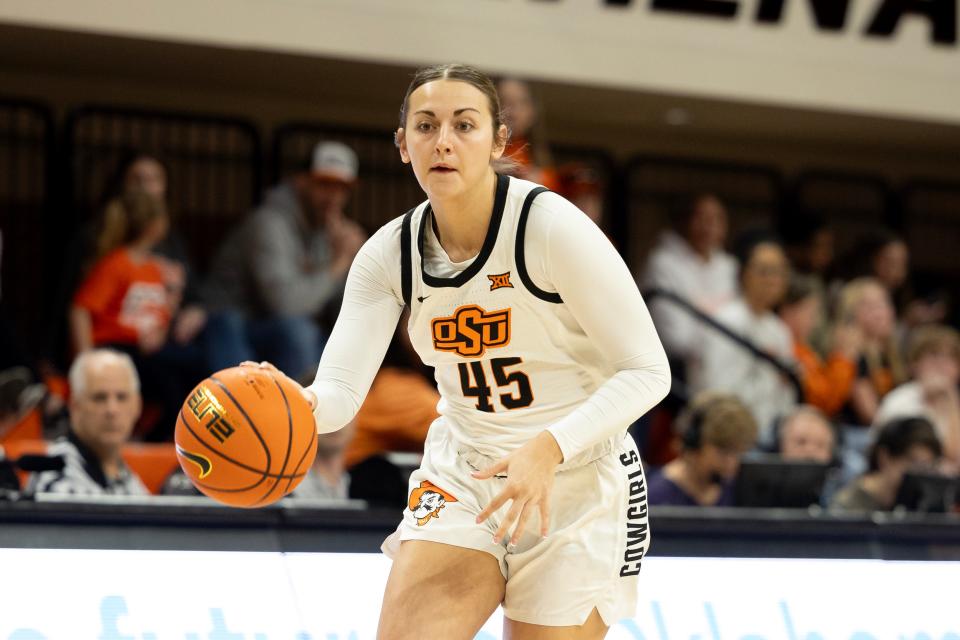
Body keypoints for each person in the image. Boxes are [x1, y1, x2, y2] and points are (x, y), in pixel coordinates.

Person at [249, 64, 670, 639]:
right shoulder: (387, 255)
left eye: (464, 125)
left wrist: (547, 450)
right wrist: (292, 403)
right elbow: (341, 396)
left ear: (499, 141)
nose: (443, 140)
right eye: (425, 126)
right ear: (403, 145)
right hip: (465, 472)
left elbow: (648, 371)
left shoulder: (549, 227)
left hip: (578, 479)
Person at [203, 141, 367, 380]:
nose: (333, 196)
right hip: (230, 324)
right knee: (298, 332)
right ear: (301, 181)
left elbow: (342, 310)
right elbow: (285, 306)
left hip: (274, 329)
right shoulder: (269, 222)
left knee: (344, 344)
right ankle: (304, 415)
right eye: (324, 184)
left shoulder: (328, 231)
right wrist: (338, 264)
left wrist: (358, 263)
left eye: (342, 188)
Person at [694, 231, 796, 444]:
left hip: (772, 432)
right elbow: (720, 391)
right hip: (727, 435)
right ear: (743, 273)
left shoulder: (779, 329)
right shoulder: (726, 320)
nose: (773, 280)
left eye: (780, 271)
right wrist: (772, 377)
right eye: (765, 271)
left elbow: (787, 392)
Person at [28, 349, 148, 496]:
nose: (112, 410)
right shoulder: (55, 473)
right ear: (75, 406)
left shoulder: (127, 478)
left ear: (138, 405)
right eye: (99, 398)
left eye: (122, 397)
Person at [641, 194, 738, 372]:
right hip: (674, 367)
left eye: (717, 219)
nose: (709, 226)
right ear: (684, 222)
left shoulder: (729, 267)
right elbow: (674, 338)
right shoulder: (663, 263)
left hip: (724, 363)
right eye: (702, 218)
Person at [647, 392, 757, 507]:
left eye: (737, 453)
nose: (732, 464)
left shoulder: (737, 490)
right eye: (723, 452)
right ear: (693, 443)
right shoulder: (657, 496)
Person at [873, 324, 960, 469]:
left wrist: (950, 401)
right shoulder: (900, 399)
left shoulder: (954, 402)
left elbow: (956, 455)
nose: (941, 364)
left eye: (950, 358)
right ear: (914, 364)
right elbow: (897, 454)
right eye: (933, 355)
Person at [779, 275, 861, 418]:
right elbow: (823, 403)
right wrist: (843, 357)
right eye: (810, 313)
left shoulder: (803, 348)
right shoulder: (787, 349)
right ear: (788, 310)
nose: (814, 322)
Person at [829, 416, 942, 512]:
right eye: (913, 463)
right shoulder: (846, 507)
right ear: (885, 458)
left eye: (927, 467)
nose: (920, 473)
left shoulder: (922, 503)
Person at [834, 277, 904, 427]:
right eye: (870, 306)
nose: (881, 312)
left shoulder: (891, 354)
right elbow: (870, 415)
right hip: (856, 434)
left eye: (884, 303)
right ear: (850, 313)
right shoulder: (850, 355)